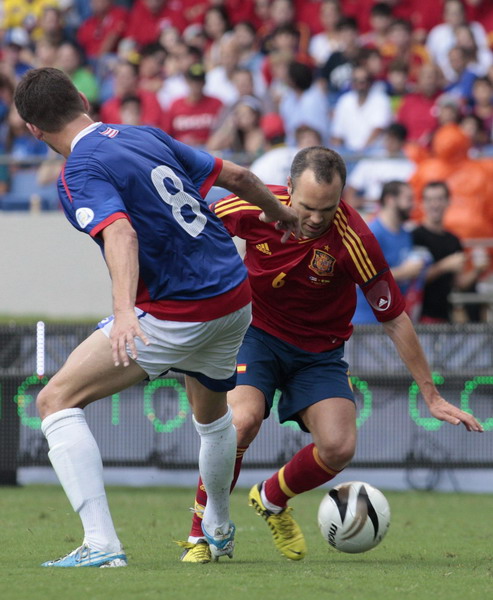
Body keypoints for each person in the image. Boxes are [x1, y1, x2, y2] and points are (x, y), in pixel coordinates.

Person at [13, 66, 299, 567]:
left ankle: (101, 544)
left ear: (34, 130)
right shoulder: (143, 133)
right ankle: (219, 525)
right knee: (212, 420)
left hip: (177, 311)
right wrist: (283, 213)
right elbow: (239, 177)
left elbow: (121, 234)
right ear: (82, 97)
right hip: (233, 297)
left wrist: (124, 312)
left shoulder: (77, 172)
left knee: (56, 400)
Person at [177, 146, 483, 564]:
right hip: (255, 335)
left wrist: (431, 396)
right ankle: (204, 533)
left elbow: (394, 318)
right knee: (242, 421)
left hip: (319, 353)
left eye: (328, 207)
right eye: (307, 206)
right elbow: (193, 224)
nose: (317, 218)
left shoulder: (355, 238)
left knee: (339, 447)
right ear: (287, 190)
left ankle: (270, 498)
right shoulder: (252, 205)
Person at [412, 180, 489, 323]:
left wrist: (478, 270)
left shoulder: (453, 240)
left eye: (439, 199)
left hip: (444, 316)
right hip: (418, 317)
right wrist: (445, 265)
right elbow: (413, 278)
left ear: (448, 202)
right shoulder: (415, 236)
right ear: (422, 204)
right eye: (429, 199)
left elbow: (458, 283)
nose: (435, 204)